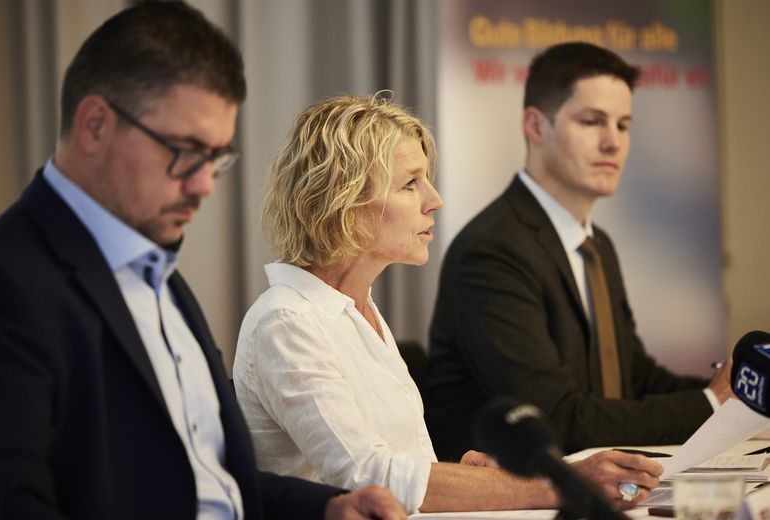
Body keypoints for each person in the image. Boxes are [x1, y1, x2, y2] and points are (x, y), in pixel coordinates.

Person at [0, 3, 406, 519]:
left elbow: (207, 480)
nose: (204, 185)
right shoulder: (9, 280)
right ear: (95, 124)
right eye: (185, 150)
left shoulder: (160, 278)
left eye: (215, 158)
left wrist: (327, 508)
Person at [232, 94, 662, 514]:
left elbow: (401, 468)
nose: (434, 200)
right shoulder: (287, 321)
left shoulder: (357, 311)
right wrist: (566, 485)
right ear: (344, 202)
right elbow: (367, 476)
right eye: (410, 183)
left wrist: (466, 476)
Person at [425, 42, 734, 460]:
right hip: (509, 501)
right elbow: (554, 419)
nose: (613, 143)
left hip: (593, 480)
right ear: (535, 127)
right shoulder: (492, 251)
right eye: (592, 122)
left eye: (623, 125)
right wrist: (710, 404)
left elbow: (631, 376)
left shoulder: (596, 245)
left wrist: (732, 392)